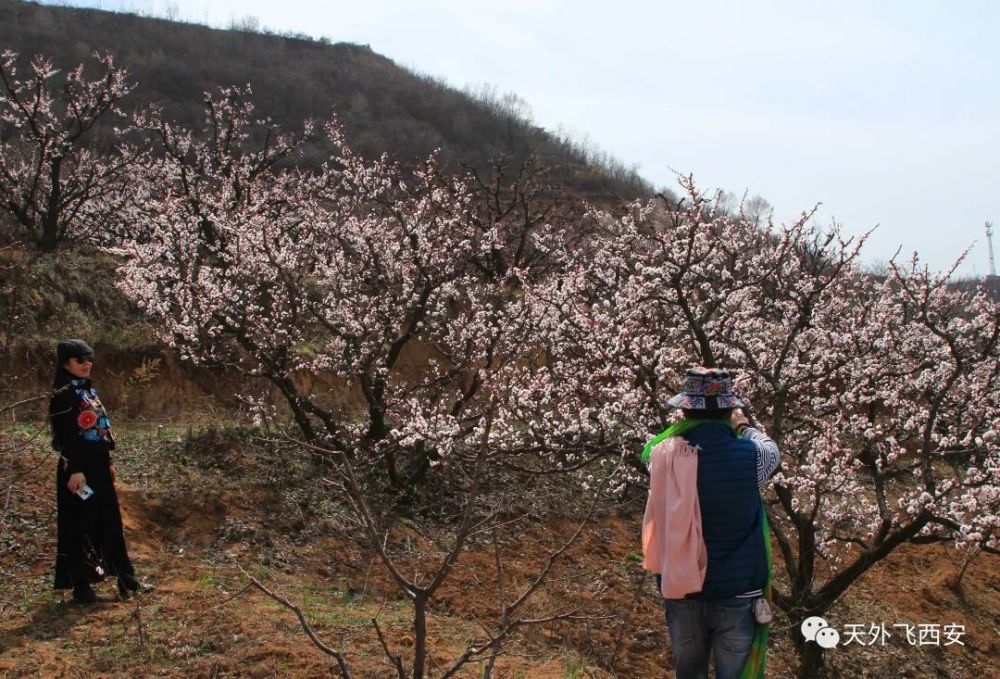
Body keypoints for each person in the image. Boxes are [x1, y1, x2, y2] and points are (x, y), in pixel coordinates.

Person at [641, 366, 780, 679]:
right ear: (730, 409)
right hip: (738, 593)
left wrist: (681, 430)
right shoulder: (751, 457)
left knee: (689, 673)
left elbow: (647, 452)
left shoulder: (663, 457)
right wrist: (744, 426)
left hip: (683, 590)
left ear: (686, 410)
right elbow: (772, 450)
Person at [49, 339, 139, 603]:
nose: (86, 364)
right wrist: (75, 470)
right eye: (80, 360)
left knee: (110, 519)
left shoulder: (88, 391)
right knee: (82, 522)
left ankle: (126, 578)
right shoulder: (63, 394)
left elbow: (100, 429)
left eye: (89, 359)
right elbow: (66, 435)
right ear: (66, 363)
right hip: (79, 471)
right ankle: (81, 585)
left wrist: (108, 461)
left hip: (98, 466)